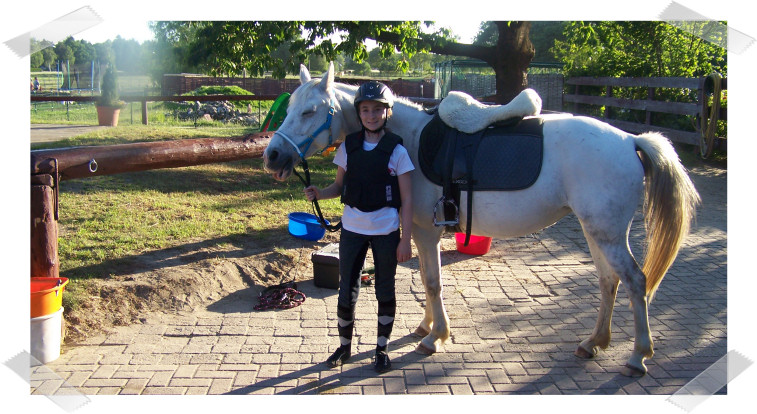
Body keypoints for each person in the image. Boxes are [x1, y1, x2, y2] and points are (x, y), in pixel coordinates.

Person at [304, 81, 414, 373]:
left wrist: (406, 239)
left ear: (387, 112)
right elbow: (339, 186)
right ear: (358, 113)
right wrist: (319, 193)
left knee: (385, 290)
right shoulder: (348, 147)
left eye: (377, 109)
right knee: (346, 290)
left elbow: (407, 199)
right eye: (365, 110)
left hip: (385, 231)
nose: (371, 115)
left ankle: (381, 349)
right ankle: (344, 347)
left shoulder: (397, 151)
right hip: (352, 229)